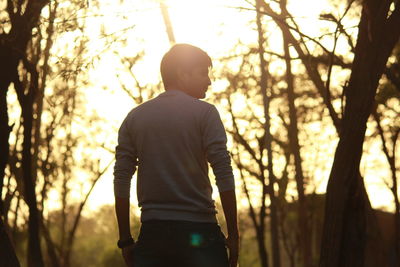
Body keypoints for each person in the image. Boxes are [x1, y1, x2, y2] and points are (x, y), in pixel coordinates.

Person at [114, 43, 239, 267]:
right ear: (182, 74)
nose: (209, 81)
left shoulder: (134, 118)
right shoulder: (206, 114)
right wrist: (234, 236)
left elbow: (122, 179)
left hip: (154, 236)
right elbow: (223, 172)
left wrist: (125, 240)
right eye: (203, 73)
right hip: (200, 233)